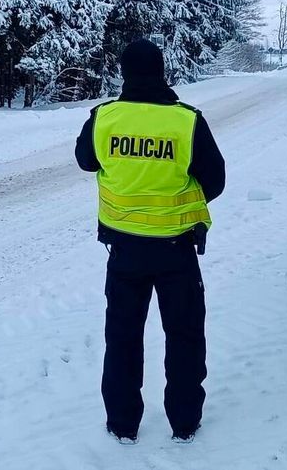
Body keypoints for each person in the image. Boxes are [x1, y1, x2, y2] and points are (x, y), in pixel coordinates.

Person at [74, 38, 225, 445]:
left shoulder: (104, 118)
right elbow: (216, 180)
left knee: (122, 338)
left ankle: (122, 424)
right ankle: (185, 421)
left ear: (123, 73)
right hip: (176, 251)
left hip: (124, 252)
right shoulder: (185, 122)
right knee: (185, 336)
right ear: (162, 71)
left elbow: (86, 160)